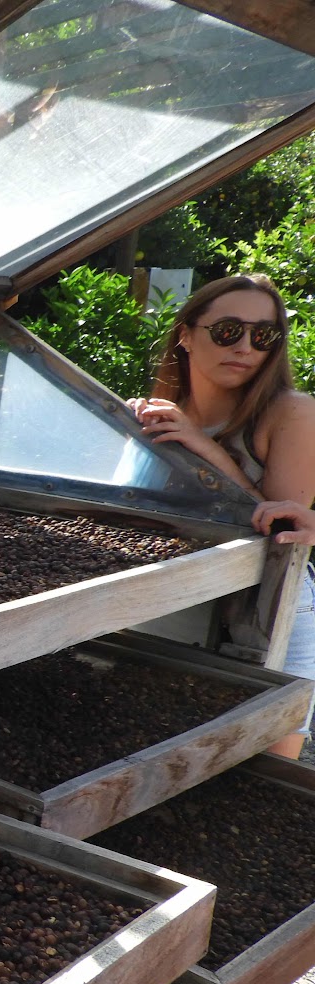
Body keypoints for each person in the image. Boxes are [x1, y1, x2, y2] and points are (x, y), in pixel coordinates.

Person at [127, 274, 315, 759]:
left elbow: (280, 528)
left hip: (267, 613)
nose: (246, 346)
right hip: (172, 605)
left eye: (263, 335)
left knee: (264, 780)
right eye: (229, 330)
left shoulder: (292, 412)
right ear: (187, 334)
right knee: (153, 760)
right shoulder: (158, 415)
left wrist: (202, 446)